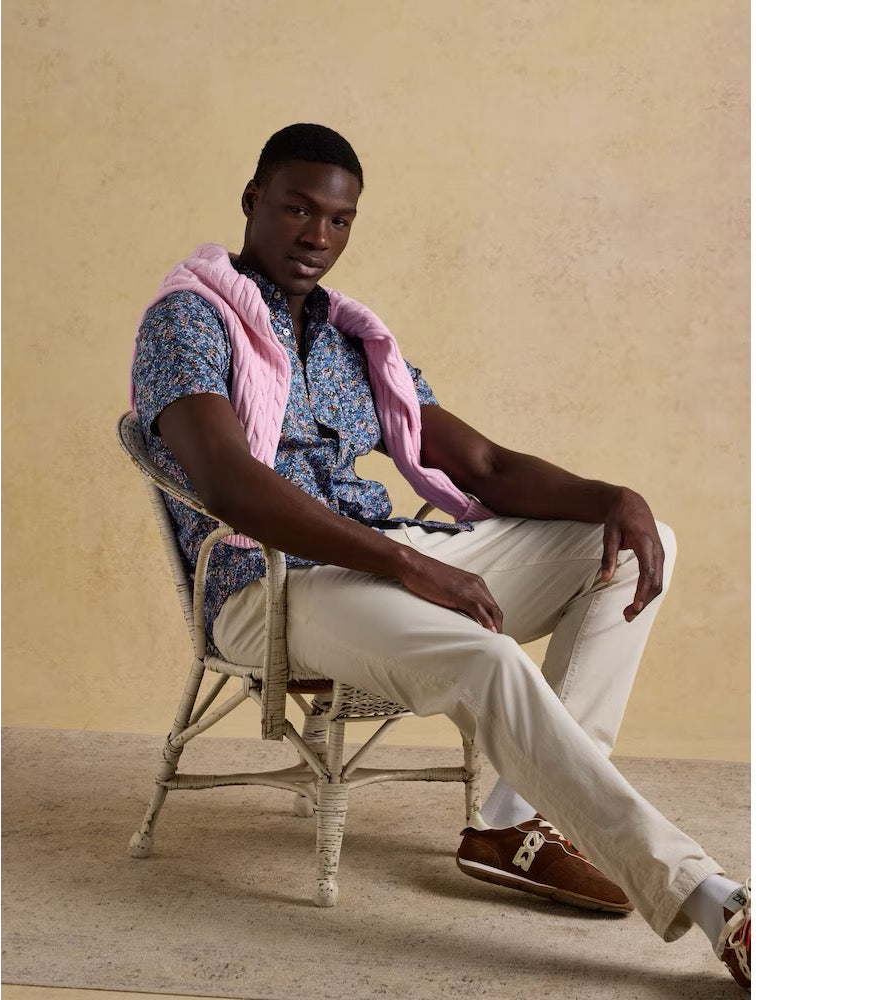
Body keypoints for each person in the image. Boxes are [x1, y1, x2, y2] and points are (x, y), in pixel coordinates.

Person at [130, 123, 750, 989]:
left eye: (339, 220)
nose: (318, 236)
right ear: (252, 200)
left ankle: (515, 822)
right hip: (267, 585)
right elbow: (232, 486)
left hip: (379, 556)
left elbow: (483, 465)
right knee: (487, 660)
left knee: (634, 547)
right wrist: (410, 567)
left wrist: (615, 498)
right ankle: (715, 902)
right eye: (298, 210)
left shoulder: (348, 341)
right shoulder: (187, 320)